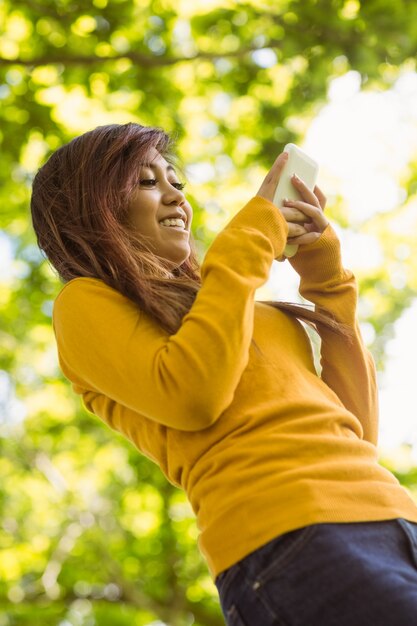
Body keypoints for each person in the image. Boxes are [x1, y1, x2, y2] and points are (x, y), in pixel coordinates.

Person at [31, 122, 417, 626]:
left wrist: (329, 282)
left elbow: (355, 433)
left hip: (393, 518)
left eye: (176, 182)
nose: (175, 196)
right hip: (291, 537)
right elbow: (194, 393)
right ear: (93, 207)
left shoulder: (234, 307)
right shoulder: (84, 303)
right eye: (147, 182)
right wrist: (253, 232)